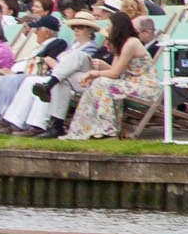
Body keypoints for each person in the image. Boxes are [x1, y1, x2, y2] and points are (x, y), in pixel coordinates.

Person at [67, 9, 159, 139]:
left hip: (146, 88)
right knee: (101, 83)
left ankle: (107, 128)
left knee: (101, 82)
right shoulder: (121, 45)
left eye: (110, 26)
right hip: (130, 84)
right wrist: (100, 71)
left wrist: (94, 73)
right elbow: (114, 71)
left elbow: (115, 74)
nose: (108, 28)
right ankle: (97, 127)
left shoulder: (131, 43)